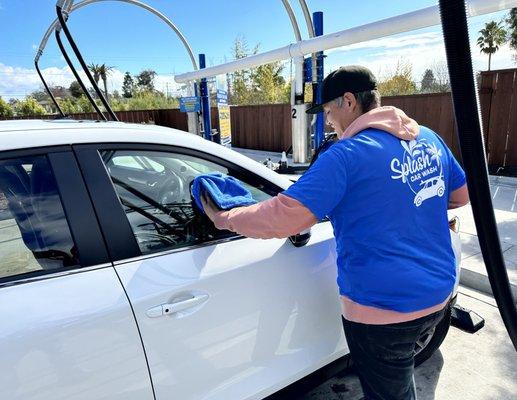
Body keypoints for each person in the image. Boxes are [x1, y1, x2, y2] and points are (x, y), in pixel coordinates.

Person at [200, 65, 469, 400]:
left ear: (348, 102)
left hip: (383, 313)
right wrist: (405, 203)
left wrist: (226, 217)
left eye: (327, 111)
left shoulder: (346, 156)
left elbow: (283, 218)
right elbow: (459, 195)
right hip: (438, 296)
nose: (327, 121)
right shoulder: (429, 138)